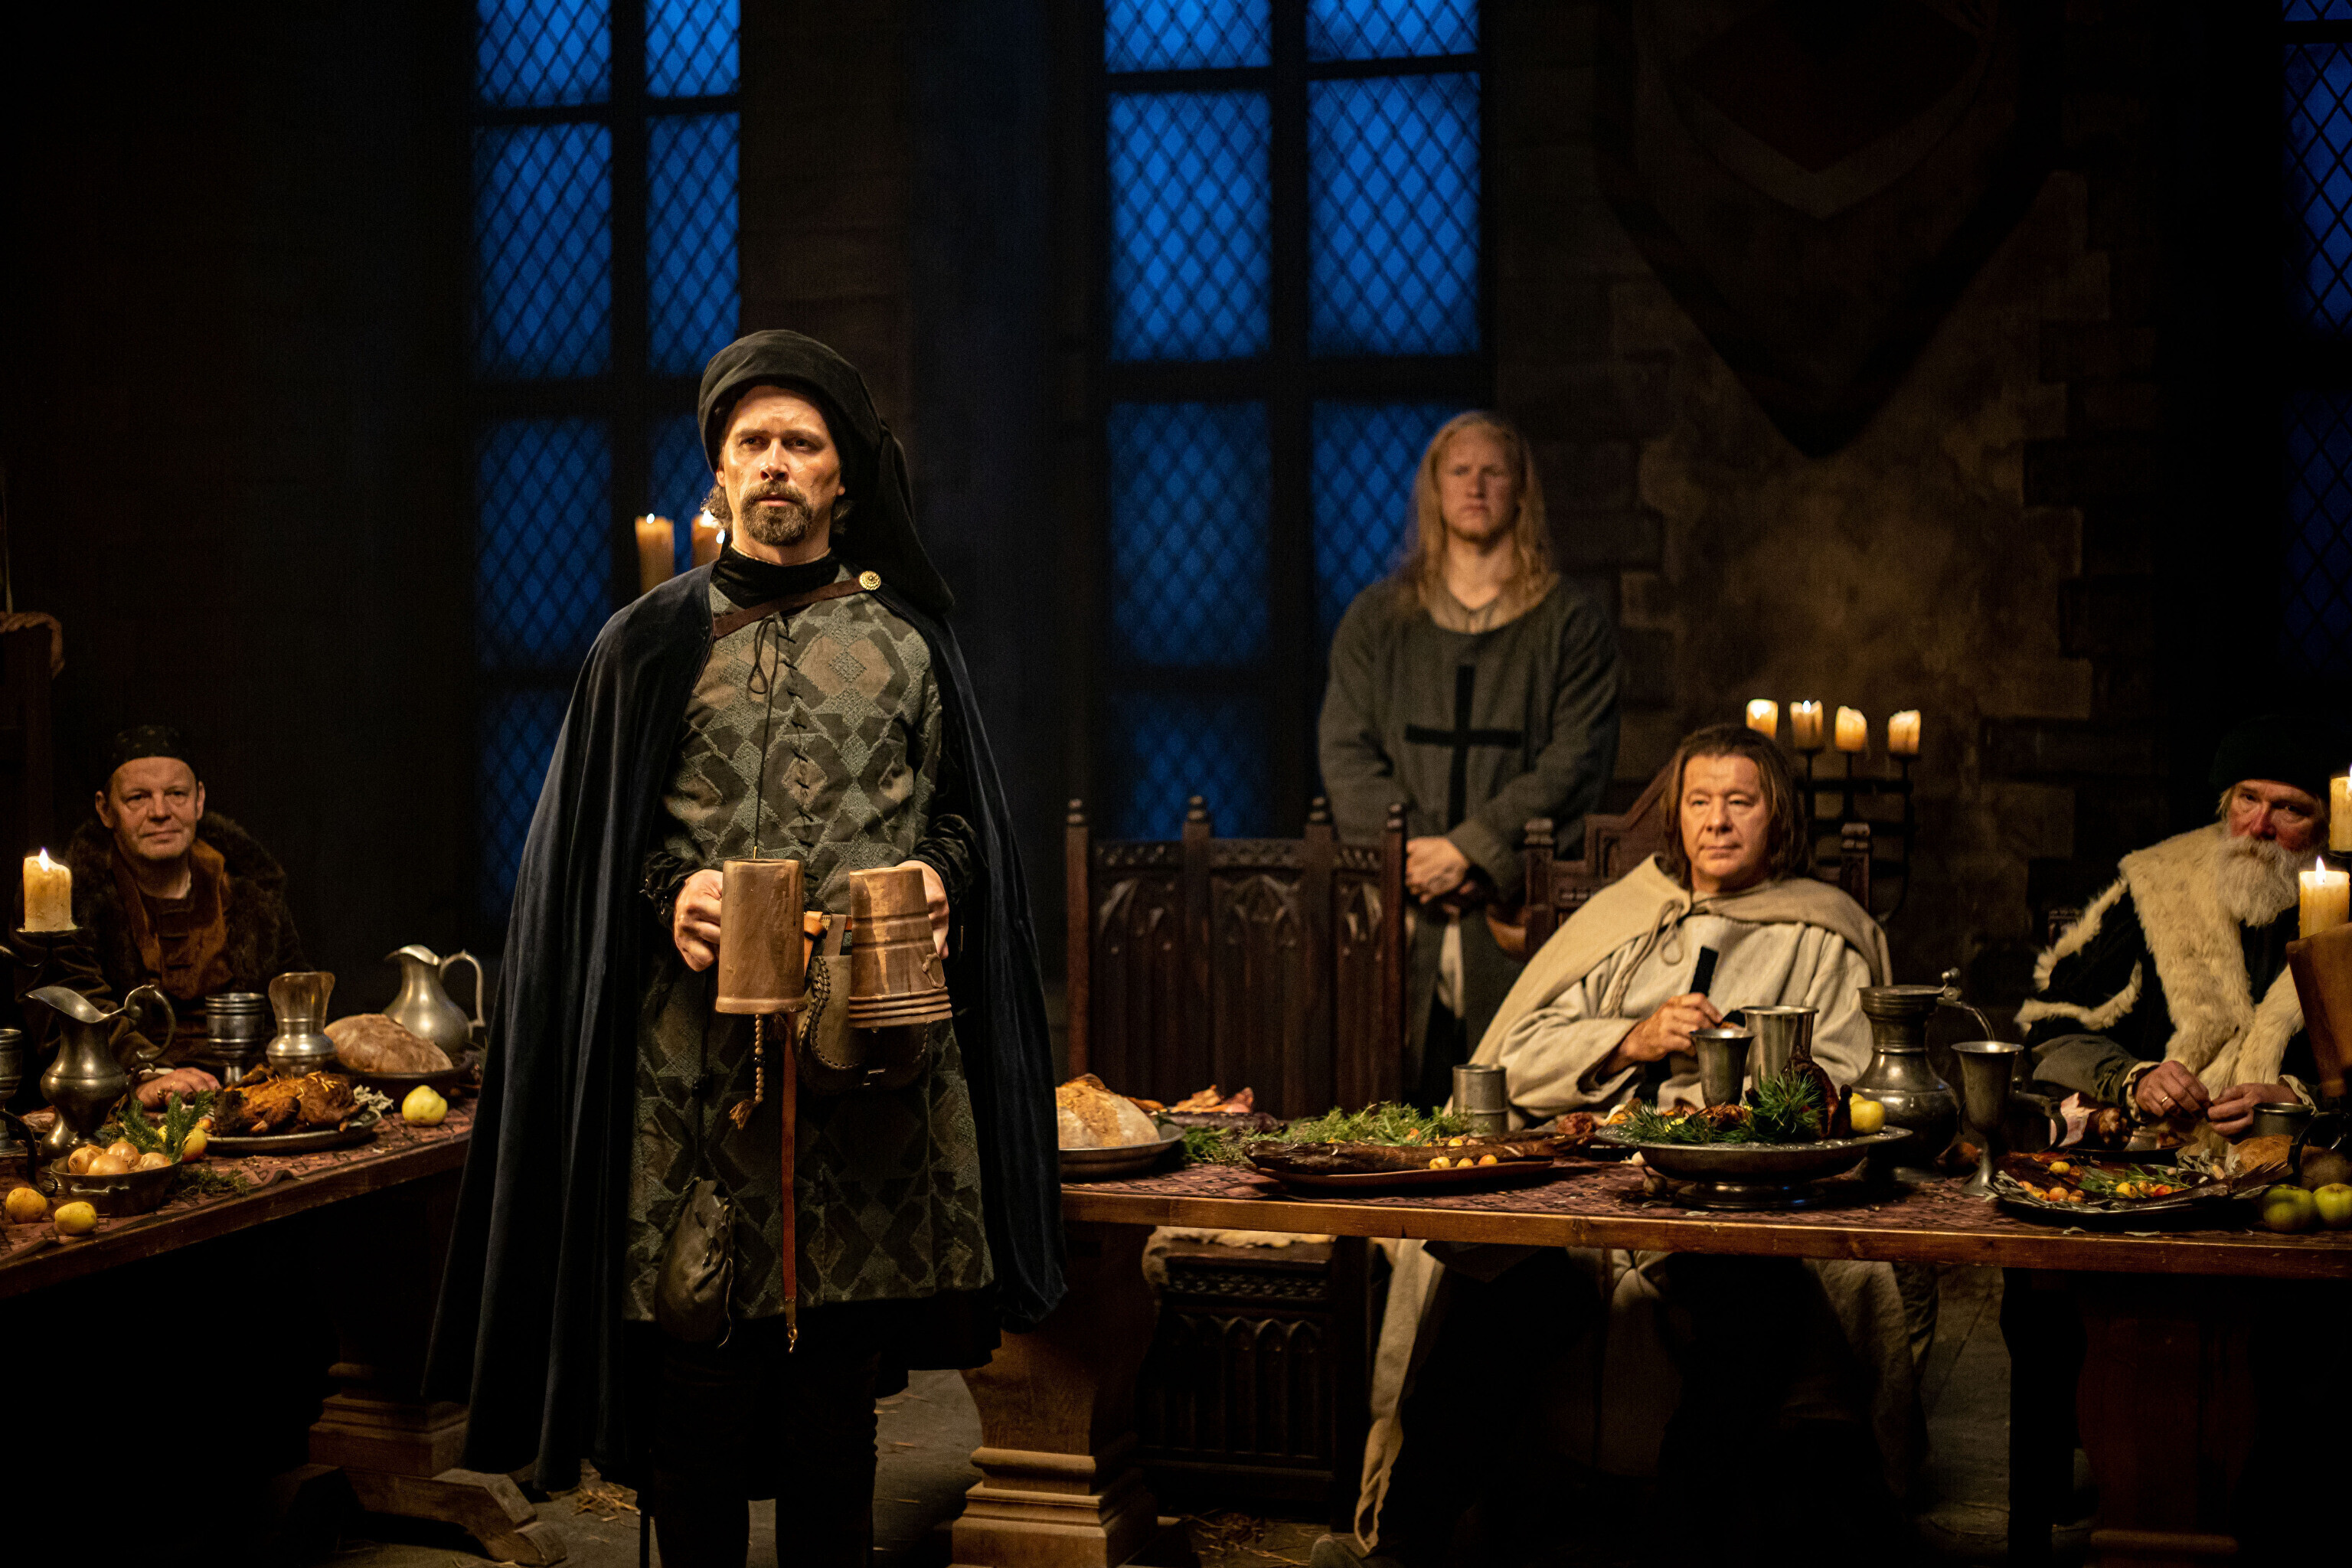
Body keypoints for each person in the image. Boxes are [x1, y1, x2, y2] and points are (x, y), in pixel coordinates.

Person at [426, 331, 1063, 1568]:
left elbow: (960, 815)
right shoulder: (648, 643)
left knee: (836, 1390)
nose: (775, 462)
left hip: (870, 1067)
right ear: (718, 473)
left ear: (842, 479)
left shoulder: (909, 641)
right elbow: (596, 853)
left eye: (801, 443)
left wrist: (945, 873)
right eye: (752, 442)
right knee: (697, 1373)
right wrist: (671, 893)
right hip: (692, 1080)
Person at [1318, 724, 1909, 1568]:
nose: (1717, 821)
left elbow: (1846, 1084)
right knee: (1498, 1277)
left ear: (1777, 816)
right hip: (1586, 1176)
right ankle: (1409, 1541)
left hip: (1730, 1193)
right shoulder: (1625, 917)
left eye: (1740, 802)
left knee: (1755, 1296)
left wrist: (1731, 1083)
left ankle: (1680, 1538)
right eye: (1699, 801)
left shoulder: (1824, 933)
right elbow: (1518, 1050)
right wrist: (1630, 1038)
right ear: (1677, 815)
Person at [1319, 411, 1620, 1108]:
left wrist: (1471, 851)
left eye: (1493, 471)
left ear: (1521, 490)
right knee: (1393, 1105)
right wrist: (1415, 855)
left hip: (1513, 912)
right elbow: (1344, 750)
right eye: (1459, 470)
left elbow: (1576, 759)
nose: (1475, 486)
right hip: (1403, 908)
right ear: (1435, 489)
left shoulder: (1570, 625)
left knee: (1511, 1113)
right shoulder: (1378, 621)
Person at [2017, 714, 2339, 1131]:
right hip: (2160, 1155)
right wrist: (2135, 1080)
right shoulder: (2160, 883)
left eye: (2290, 809)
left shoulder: (2343, 910)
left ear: (2327, 826)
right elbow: (2052, 1030)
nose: (2259, 826)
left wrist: (2298, 1101)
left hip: (2295, 1162)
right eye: (2247, 799)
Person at [57, 724, 306, 1107]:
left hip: (252, 1089)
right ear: (105, 810)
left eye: (176, 794)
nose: (161, 812)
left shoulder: (251, 888)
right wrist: (143, 1073)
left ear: (199, 800)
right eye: (138, 798)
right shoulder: (74, 901)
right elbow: (74, 1007)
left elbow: (293, 996)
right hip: (132, 1093)